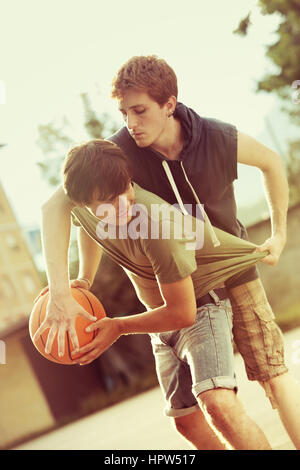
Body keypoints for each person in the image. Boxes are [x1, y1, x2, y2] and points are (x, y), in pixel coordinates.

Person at [37, 55, 300, 449]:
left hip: (228, 268)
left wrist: (278, 234)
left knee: (271, 375)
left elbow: (272, 162)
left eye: (140, 111)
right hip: (173, 288)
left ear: (169, 104)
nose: (130, 122)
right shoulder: (117, 155)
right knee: (190, 420)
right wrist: (64, 290)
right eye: (124, 112)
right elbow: (59, 207)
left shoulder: (215, 137)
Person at [35, 139, 272, 450]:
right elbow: (86, 226)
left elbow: (184, 313)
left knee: (216, 402)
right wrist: (83, 279)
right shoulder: (91, 208)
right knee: (185, 420)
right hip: (161, 323)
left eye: (125, 190)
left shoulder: (155, 223)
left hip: (201, 309)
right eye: (108, 200)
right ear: (84, 205)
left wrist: (118, 326)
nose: (122, 204)